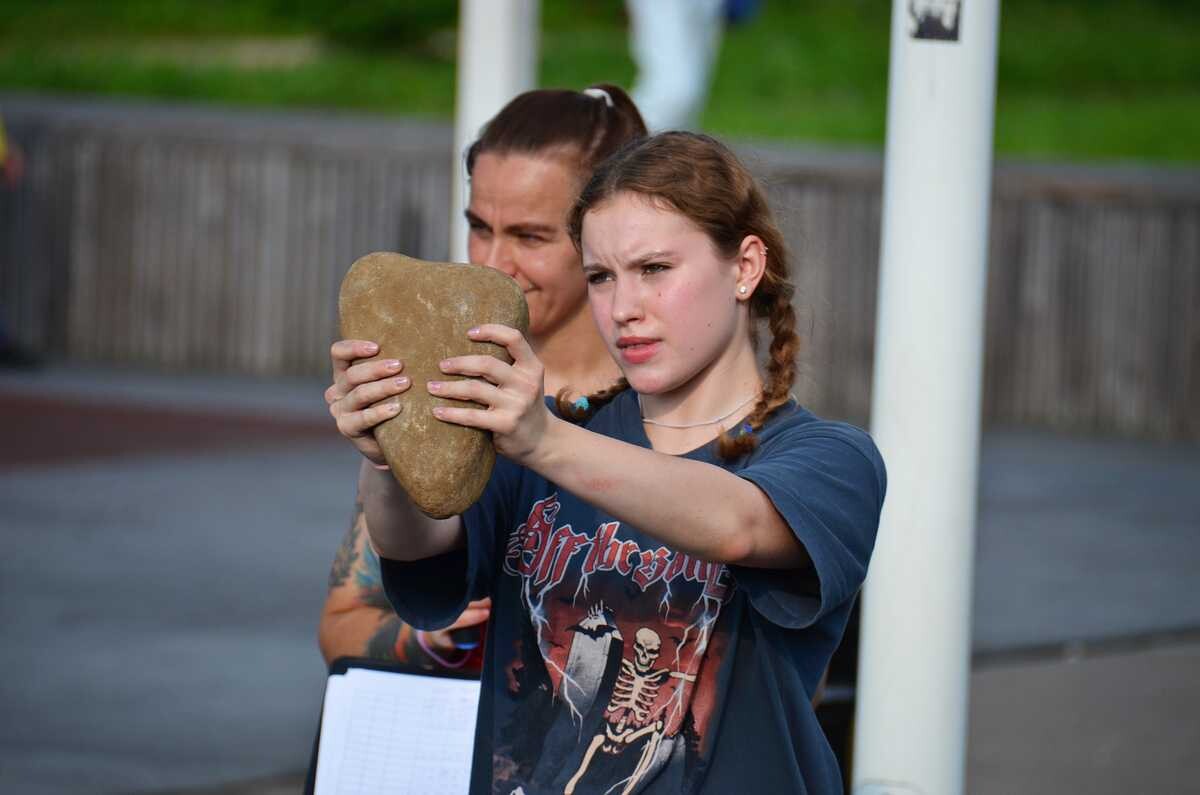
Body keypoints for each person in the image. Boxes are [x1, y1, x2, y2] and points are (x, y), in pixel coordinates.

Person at [329, 131, 886, 793]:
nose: (623, 309)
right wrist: (386, 452)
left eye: (655, 269)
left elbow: (738, 524)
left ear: (745, 267)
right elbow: (415, 546)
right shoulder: (547, 443)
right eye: (600, 277)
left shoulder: (830, 458)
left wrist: (543, 440)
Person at [318, 85, 648, 671]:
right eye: (479, 227)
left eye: (530, 236)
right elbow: (340, 626)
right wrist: (426, 638)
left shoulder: (671, 406)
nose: (493, 263)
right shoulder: (453, 391)